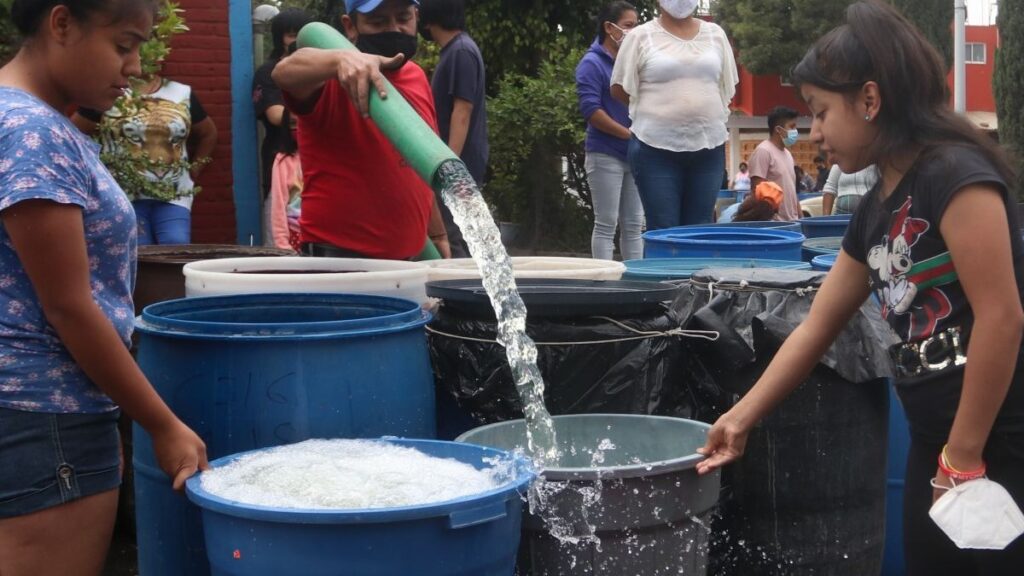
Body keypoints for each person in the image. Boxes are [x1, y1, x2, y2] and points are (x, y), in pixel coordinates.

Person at [696, 2, 1024, 574]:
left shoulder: (956, 175)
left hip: (999, 439)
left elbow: (1002, 317)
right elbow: (818, 326)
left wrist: (965, 457)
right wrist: (741, 417)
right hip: (934, 441)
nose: (814, 133)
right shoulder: (874, 211)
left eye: (821, 112)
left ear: (870, 101)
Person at [0, 1, 208, 574]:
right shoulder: (34, 133)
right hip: (47, 419)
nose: (136, 67)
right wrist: (162, 425)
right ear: (61, 24)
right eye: (123, 45)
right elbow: (68, 306)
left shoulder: (22, 117)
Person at [272, 0, 451, 260]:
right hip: (340, 264)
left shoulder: (417, 77)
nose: (395, 29)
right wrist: (340, 60)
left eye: (403, 18)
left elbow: (417, 161)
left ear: (417, 16)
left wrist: (437, 234)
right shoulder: (329, 79)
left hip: (409, 262)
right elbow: (283, 72)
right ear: (350, 26)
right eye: (378, 22)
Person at [610, 0, 738, 230]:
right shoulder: (640, 36)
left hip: (708, 147)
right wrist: (656, 110)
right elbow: (619, 86)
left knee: (699, 228)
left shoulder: (715, 34)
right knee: (663, 227)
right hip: (654, 149)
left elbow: (725, 84)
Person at [75, 72, 218, 245]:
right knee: (139, 251)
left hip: (173, 192)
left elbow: (208, 133)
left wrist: (193, 170)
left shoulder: (181, 93)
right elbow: (73, 134)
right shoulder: (109, 92)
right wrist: (95, 174)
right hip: (124, 193)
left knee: (176, 245)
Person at [575, 1, 643, 261]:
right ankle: (603, 283)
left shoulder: (631, 61)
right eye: (628, 26)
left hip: (633, 154)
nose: (632, 32)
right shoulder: (591, 63)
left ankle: (635, 283)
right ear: (609, 27)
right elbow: (592, 112)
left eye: (635, 27)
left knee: (634, 225)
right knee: (606, 224)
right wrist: (629, 134)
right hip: (605, 154)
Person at [418, 0, 484, 259]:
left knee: (455, 235)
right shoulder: (453, 50)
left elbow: (462, 111)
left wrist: (448, 167)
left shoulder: (461, 52)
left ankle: (460, 295)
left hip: (457, 165)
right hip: (453, 162)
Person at [253, 7, 314, 240]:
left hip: (315, 165)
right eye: (291, 35)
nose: (297, 41)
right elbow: (276, 115)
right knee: (279, 236)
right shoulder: (268, 73)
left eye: (302, 34)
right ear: (279, 38)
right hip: (281, 162)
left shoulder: (320, 69)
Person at [747, 106, 801, 221]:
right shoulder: (763, 151)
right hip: (775, 223)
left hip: (792, 221)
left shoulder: (788, 154)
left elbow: (792, 190)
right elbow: (757, 190)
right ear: (778, 129)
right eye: (792, 126)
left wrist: (801, 218)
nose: (795, 131)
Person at [269, 110, 303, 251]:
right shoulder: (283, 160)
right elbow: (278, 205)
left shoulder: (327, 157)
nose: (297, 129)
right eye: (292, 124)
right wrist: (282, 244)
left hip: (323, 235)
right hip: (295, 234)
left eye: (302, 123)